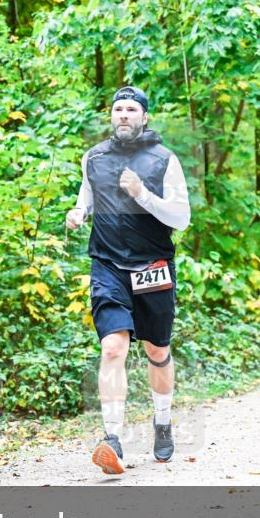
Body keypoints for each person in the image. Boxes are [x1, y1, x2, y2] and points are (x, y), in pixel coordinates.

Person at [65, 86, 191, 475]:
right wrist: (78, 211)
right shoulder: (94, 157)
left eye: (131, 109)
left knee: (156, 350)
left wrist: (142, 195)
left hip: (152, 264)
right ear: (112, 116)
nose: (123, 115)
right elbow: (86, 195)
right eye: (118, 109)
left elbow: (181, 218)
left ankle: (163, 421)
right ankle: (113, 439)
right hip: (107, 264)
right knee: (113, 349)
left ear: (144, 117)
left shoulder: (164, 160)